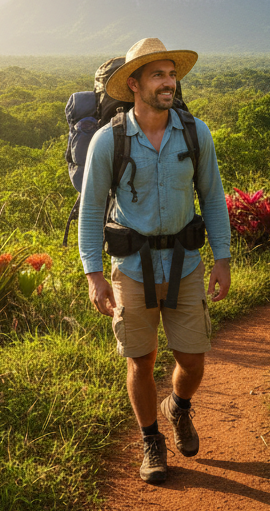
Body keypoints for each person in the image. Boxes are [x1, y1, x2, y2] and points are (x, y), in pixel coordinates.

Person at [78, 37, 231, 484]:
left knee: (193, 358)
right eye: (158, 74)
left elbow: (213, 198)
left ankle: (178, 407)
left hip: (185, 263)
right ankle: (151, 440)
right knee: (140, 362)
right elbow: (90, 210)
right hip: (131, 268)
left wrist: (222, 257)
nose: (169, 82)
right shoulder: (110, 140)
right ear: (134, 83)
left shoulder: (194, 132)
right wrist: (93, 275)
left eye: (172, 73)